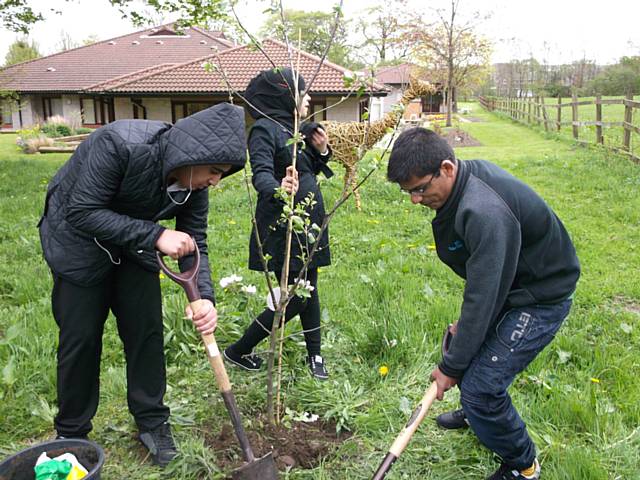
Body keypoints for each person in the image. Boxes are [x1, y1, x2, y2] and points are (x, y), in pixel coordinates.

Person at [38, 103, 247, 467]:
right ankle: (72, 431)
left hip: (134, 245)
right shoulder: (119, 144)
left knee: (146, 331)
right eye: (214, 171)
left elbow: (194, 239)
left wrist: (206, 298)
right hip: (77, 242)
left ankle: (152, 422)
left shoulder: (193, 185)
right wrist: (156, 234)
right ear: (194, 155)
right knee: (81, 336)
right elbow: (82, 210)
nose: (215, 181)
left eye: (221, 175)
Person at [386, 128, 580, 480]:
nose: (415, 200)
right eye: (408, 192)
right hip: (513, 284)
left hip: (540, 295)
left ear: (447, 168)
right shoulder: (461, 184)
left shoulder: (484, 210)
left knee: (481, 387)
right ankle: (480, 415)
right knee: (465, 345)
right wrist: (462, 346)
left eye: (419, 189)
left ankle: (523, 466)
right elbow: (485, 286)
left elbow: (484, 296)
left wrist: (451, 367)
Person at [223, 67, 334, 380]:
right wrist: (278, 189)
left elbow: (313, 165)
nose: (308, 97)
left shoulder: (298, 128)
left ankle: (316, 356)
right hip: (282, 224)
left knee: (309, 288)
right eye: (303, 92)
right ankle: (239, 349)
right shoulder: (264, 130)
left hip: (309, 221)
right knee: (296, 295)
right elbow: (259, 173)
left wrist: (322, 149)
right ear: (285, 96)